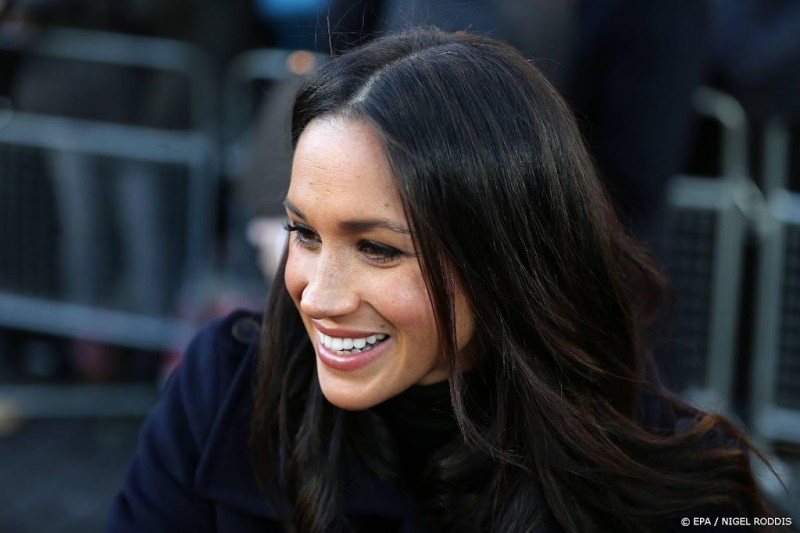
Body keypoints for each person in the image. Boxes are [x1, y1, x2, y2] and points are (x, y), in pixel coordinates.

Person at [108, 28, 777, 532]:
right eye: (305, 234)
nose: (319, 295)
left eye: (377, 249)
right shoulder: (224, 390)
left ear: (504, 259)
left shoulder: (680, 481)